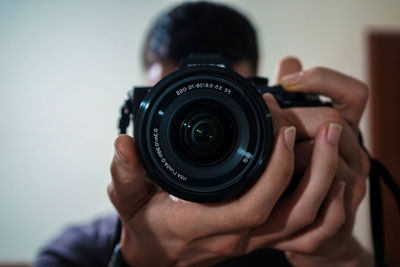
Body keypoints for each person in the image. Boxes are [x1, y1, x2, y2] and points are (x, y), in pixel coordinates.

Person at [35, 2, 372, 266]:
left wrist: (337, 258)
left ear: (264, 108)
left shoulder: (295, 233)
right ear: (136, 112)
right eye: (166, 98)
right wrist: (135, 259)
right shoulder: (75, 252)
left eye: (223, 102)